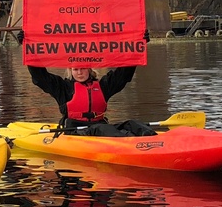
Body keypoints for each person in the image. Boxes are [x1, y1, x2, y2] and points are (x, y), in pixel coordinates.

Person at [17, 30, 154, 136]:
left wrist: (138, 45)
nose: (79, 72)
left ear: (89, 69)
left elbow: (123, 74)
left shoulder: (102, 86)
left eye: (82, 68)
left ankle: (152, 139)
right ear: (71, 70)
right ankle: (130, 144)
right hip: (74, 130)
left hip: (99, 126)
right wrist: (28, 47)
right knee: (102, 128)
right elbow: (40, 77)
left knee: (132, 124)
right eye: (75, 69)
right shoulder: (63, 87)